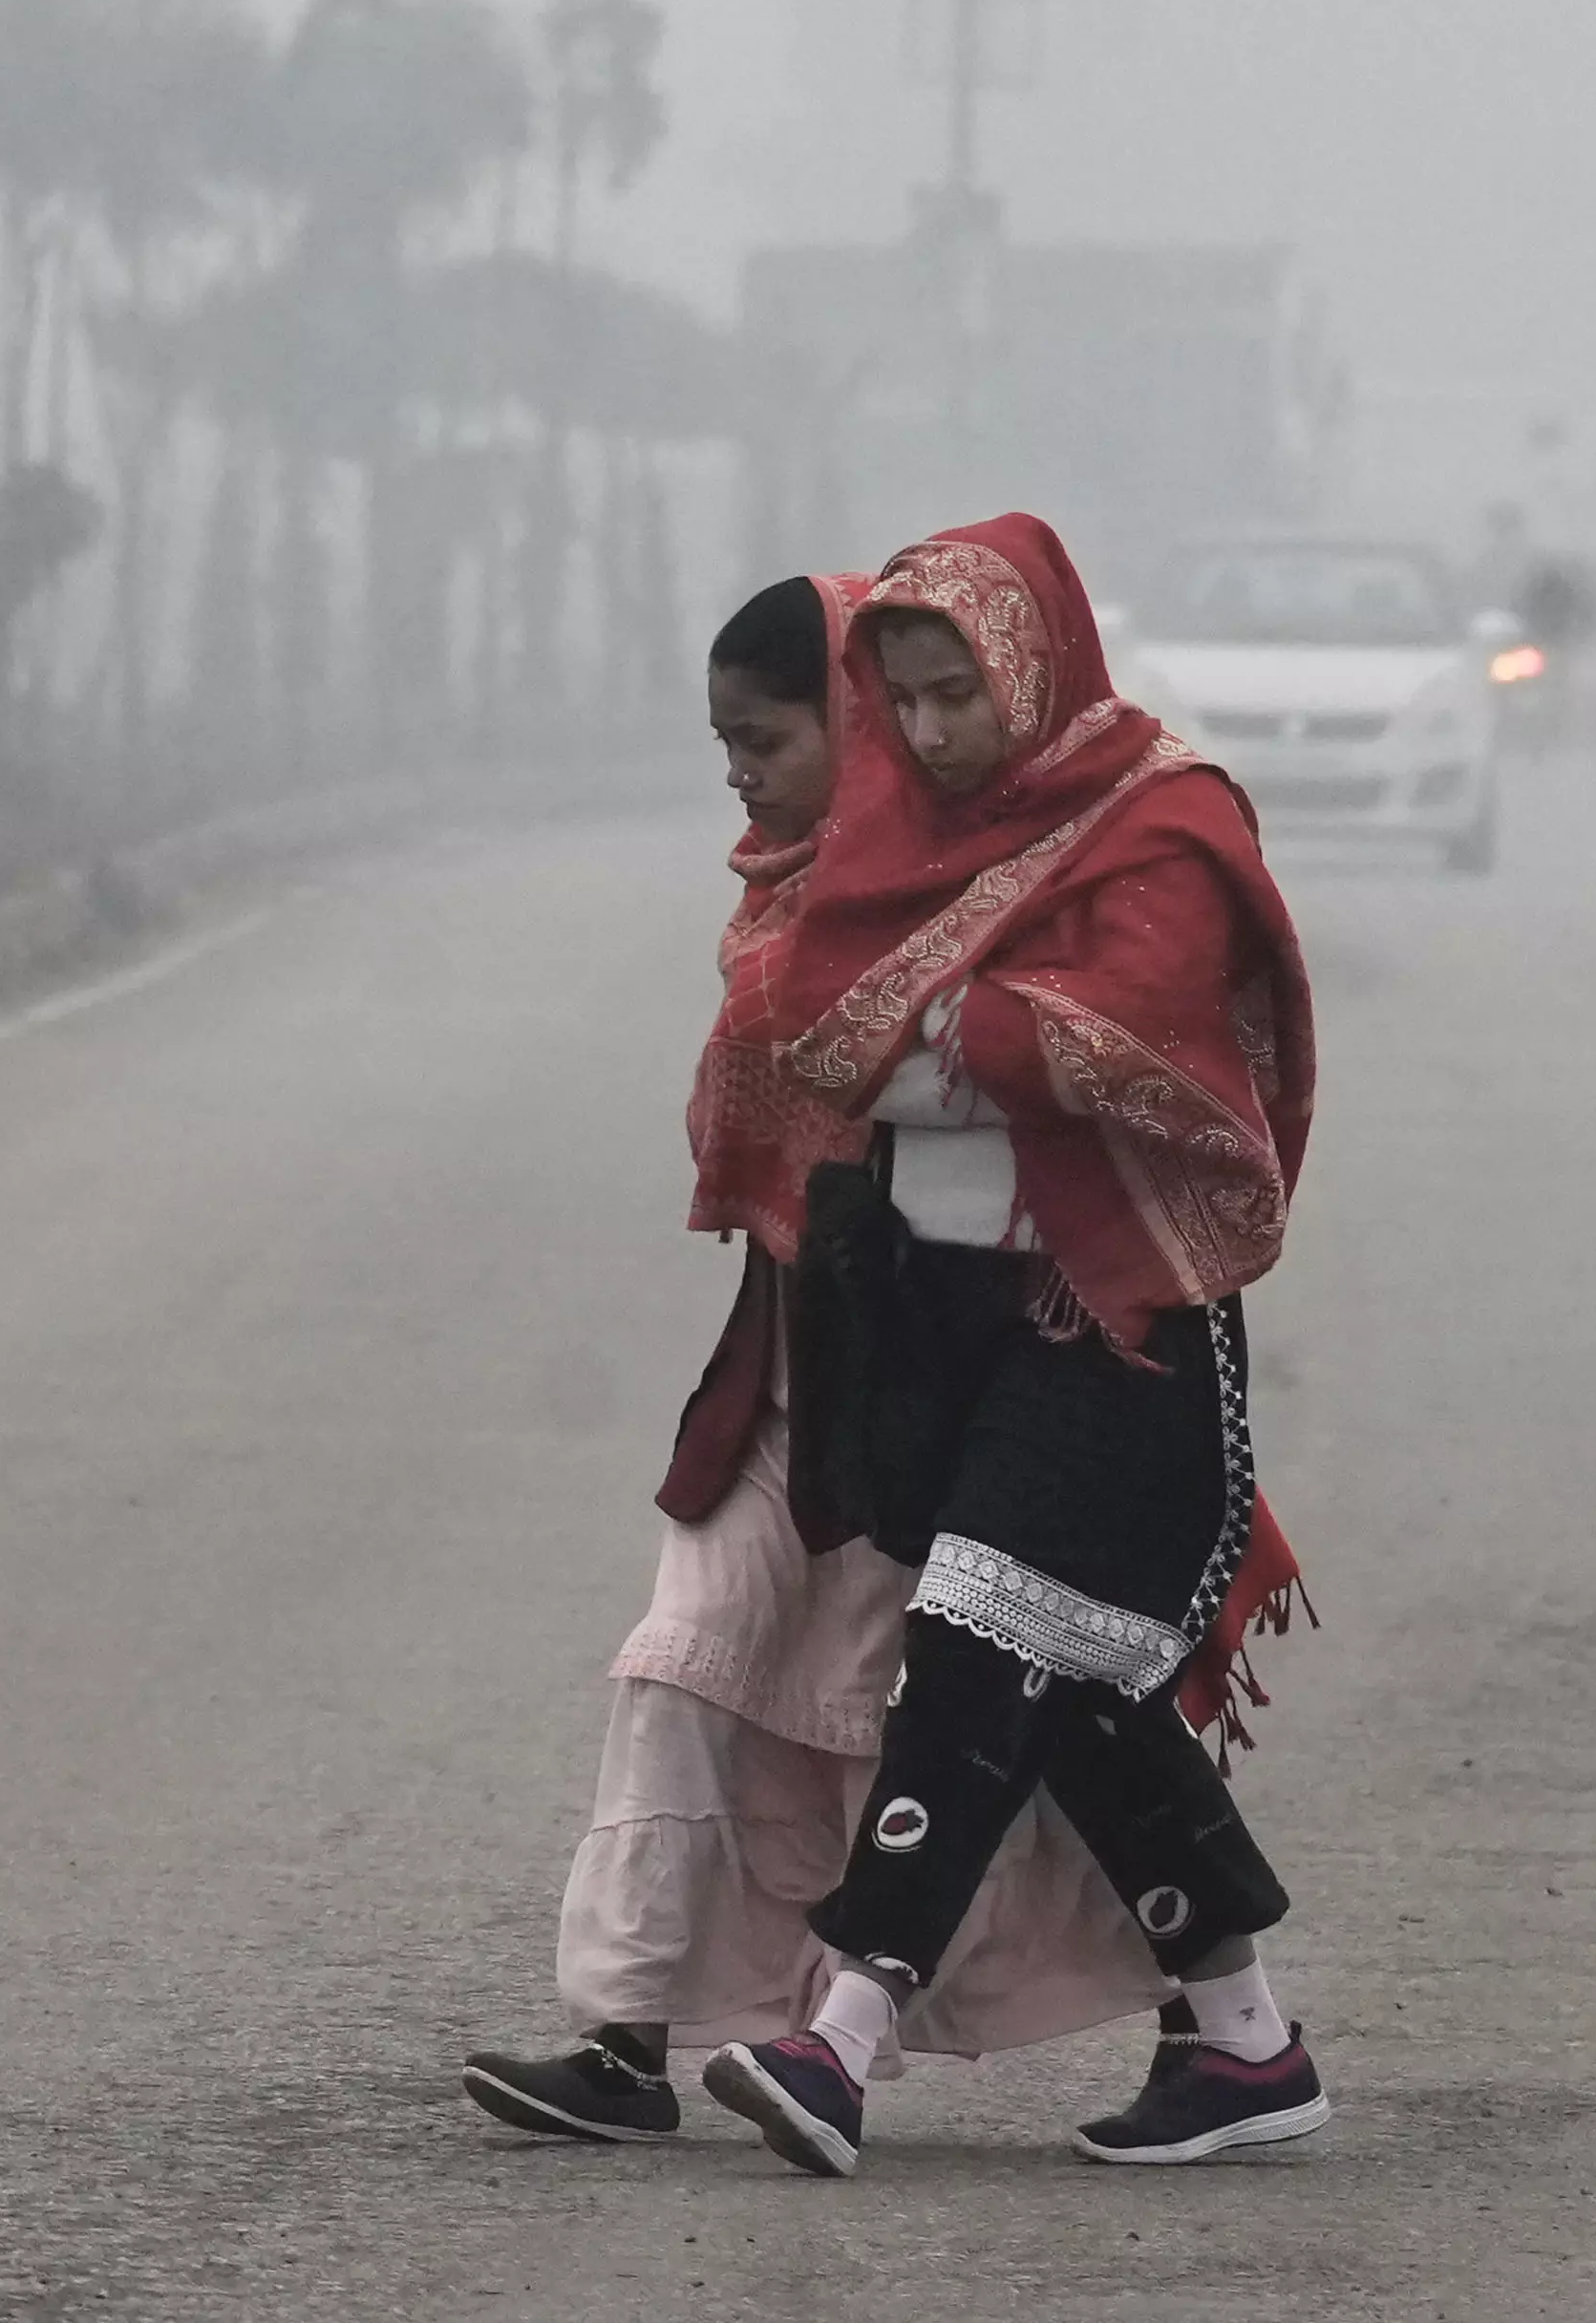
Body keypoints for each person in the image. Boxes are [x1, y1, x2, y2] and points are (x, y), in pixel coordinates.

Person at [461, 576, 1166, 2146]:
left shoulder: (990, 884)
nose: (737, 770)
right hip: (785, 1353)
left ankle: (1214, 2004)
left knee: (956, 1707)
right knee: (682, 1654)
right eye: (720, 739)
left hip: (930, 1370)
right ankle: (625, 2039)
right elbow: (753, 1113)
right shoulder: (788, 894)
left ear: (852, 739)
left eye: (762, 737)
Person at [697, 515, 1329, 2181]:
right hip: (942, 1325)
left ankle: (843, 2032)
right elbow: (805, 1028)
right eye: (895, 701)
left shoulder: (1165, 819)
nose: (922, 736)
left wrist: (937, 1028)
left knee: (977, 1646)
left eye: (952, 695)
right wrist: (944, 1031)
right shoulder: (905, 836)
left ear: (1036, 665)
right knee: (1073, 1684)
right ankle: (1247, 2039)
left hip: (1114, 1321)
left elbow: (1131, 1037)